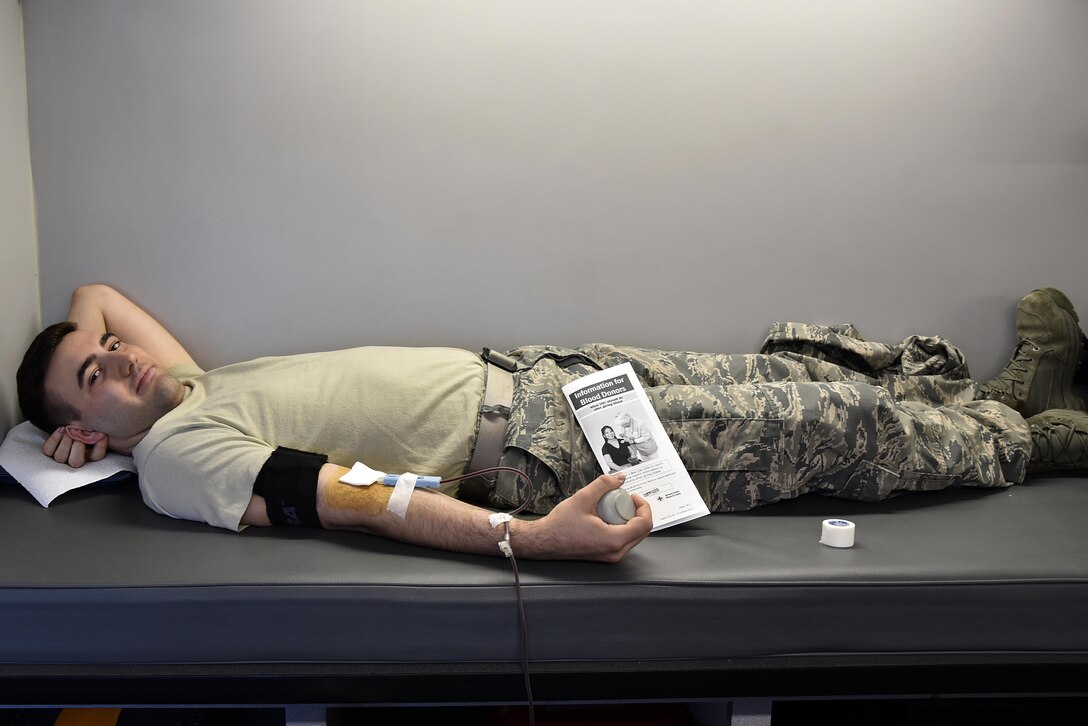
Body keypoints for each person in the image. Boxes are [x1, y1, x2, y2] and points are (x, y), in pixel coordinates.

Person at [16, 285, 1088, 562]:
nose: (114, 353)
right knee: (823, 421)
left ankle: (992, 396)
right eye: (92, 379)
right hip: (533, 450)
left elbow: (99, 292)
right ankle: (1031, 438)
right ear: (92, 436)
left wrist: (79, 386)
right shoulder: (175, 457)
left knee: (783, 366)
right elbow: (361, 506)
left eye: (102, 348)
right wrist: (528, 540)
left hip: (536, 375)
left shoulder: (187, 387)